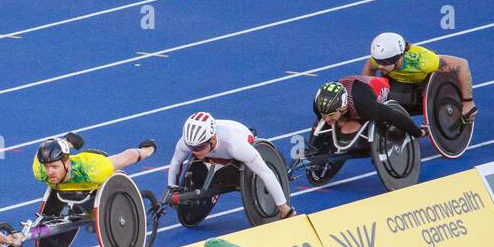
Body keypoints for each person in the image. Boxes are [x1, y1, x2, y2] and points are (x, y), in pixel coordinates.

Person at [165, 113, 295, 219]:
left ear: (213, 139)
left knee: (257, 168)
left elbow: (266, 173)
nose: (194, 151)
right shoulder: (187, 142)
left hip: (239, 144)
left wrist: (283, 208)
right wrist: (173, 188)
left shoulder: (235, 145)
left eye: (199, 147)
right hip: (217, 155)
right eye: (191, 147)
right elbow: (176, 162)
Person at [364, 32, 476, 122]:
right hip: (399, 82)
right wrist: (370, 95)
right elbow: (370, 67)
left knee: (407, 100)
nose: (379, 66)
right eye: (378, 61)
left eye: (384, 63)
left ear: (398, 58)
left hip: (423, 84)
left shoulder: (423, 61)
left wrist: (468, 102)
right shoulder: (381, 58)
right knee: (386, 100)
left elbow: (462, 64)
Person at [310, 76, 425, 158]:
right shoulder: (318, 105)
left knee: (348, 128)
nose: (327, 119)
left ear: (343, 108)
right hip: (353, 87)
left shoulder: (365, 106)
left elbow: (395, 117)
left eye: (330, 116)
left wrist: (418, 132)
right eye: (324, 115)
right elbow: (322, 120)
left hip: (378, 88)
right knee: (338, 124)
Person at [32, 131, 156, 191]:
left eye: (54, 167)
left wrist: (146, 150)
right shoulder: (40, 170)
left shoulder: (92, 171)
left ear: (66, 162)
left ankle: (69, 141)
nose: (50, 172)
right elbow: (48, 144)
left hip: (94, 158)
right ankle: (68, 141)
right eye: (47, 167)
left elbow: (125, 158)